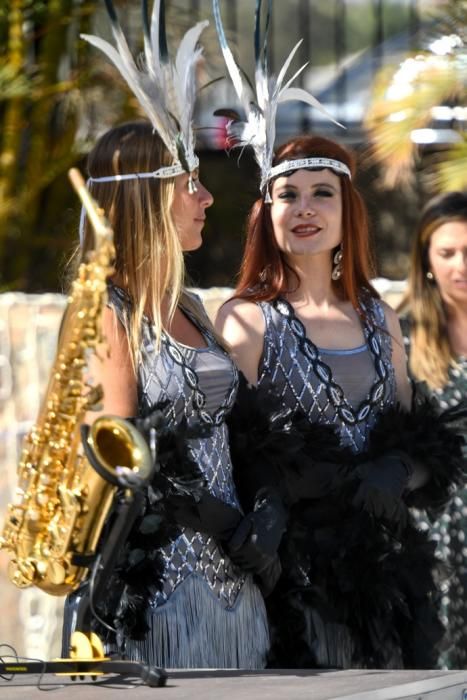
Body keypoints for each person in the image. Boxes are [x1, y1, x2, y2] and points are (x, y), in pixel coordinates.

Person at [60, 0, 280, 669]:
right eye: (192, 184)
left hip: (233, 583)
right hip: (156, 590)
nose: (208, 197)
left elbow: (235, 429)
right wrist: (209, 516)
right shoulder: (105, 308)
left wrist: (265, 501)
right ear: (149, 199)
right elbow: (122, 465)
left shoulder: (189, 304)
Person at [215, 134, 464, 670]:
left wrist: (401, 469)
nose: (305, 208)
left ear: (347, 210)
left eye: (322, 193)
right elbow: (234, 450)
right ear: (267, 213)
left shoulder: (380, 318)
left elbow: (419, 440)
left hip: (383, 581)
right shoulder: (246, 319)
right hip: (288, 589)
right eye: (289, 195)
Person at [399, 191, 467, 669]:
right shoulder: (399, 336)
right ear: (425, 260)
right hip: (437, 542)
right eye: (447, 253)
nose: (460, 265)